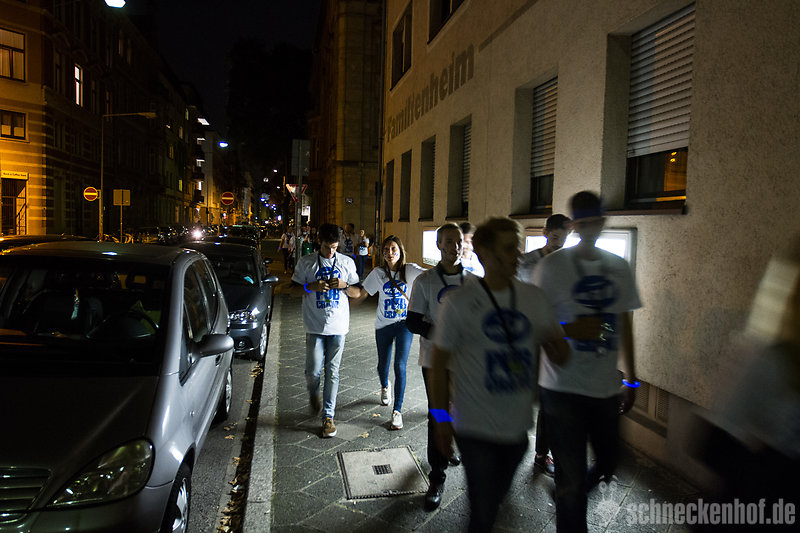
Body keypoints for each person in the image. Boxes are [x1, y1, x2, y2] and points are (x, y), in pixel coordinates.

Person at [430, 217, 569, 532]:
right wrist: (440, 419)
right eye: (508, 248)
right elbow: (438, 365)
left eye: (517, 247)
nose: (517, 255)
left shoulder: (534, 299)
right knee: (483, 510)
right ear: (485, 254)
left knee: (491, 503)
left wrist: (563, 339)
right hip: (473, 426)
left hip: (516, 430)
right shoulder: (459, 303)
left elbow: (561, 355)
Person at [533, 191, 641, 533]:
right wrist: (569, 329)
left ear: (604, 222)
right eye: (584, 222)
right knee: (571, 478)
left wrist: (632, 378)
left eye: (596, 221)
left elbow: (624, 322)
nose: (590, 228)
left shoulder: (618, 266)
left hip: (605, 387)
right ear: (573, 225)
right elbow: (534, 323)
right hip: (561, 387)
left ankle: (568, 491)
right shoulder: (552, 267)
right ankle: (568, 497)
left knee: (609, 462)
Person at [407, 222, 470, 511]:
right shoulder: (426, 281)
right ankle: (437, 476)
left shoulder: (473, 281)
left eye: (459, 241)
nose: (455, 246)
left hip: (465, 361)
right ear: (439, 245)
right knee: (439, 413)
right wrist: (442, 333)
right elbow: (412, 322)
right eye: (449, 241)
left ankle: (448, 445)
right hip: (434, 360)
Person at [292, 223, 360, 438]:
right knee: (313, 371)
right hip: (314, 326)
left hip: (339, 327)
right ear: (318, 242)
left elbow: (357, 292)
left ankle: (328, 416)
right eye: (326, 247)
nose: (331, 252)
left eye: (334, 247)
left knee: (333, 372)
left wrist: (344, 286)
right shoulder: (306, 263)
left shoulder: (346, 262)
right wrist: (310, 286)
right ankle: (314, 394)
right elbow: (292, 289)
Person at [516, 213, 571, 477]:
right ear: (546, 233)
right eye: (556, 237)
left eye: (565, 238)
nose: (560, 243)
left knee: (552, 397)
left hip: (554, 338)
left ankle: (542, 454)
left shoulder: (568, 264)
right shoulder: (526, 262)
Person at [352, 235, 425, 431]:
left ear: (400, 251)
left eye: (393, 249)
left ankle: (397, 411)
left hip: (404, 325)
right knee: (382, 365)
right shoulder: (378, 273)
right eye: (386, 250)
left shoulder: (409, 270)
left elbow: (430, 276)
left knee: (400, 365)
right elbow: (362, 293)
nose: (390, 253)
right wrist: (345, 293)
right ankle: (385, 385)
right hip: (383, 325)